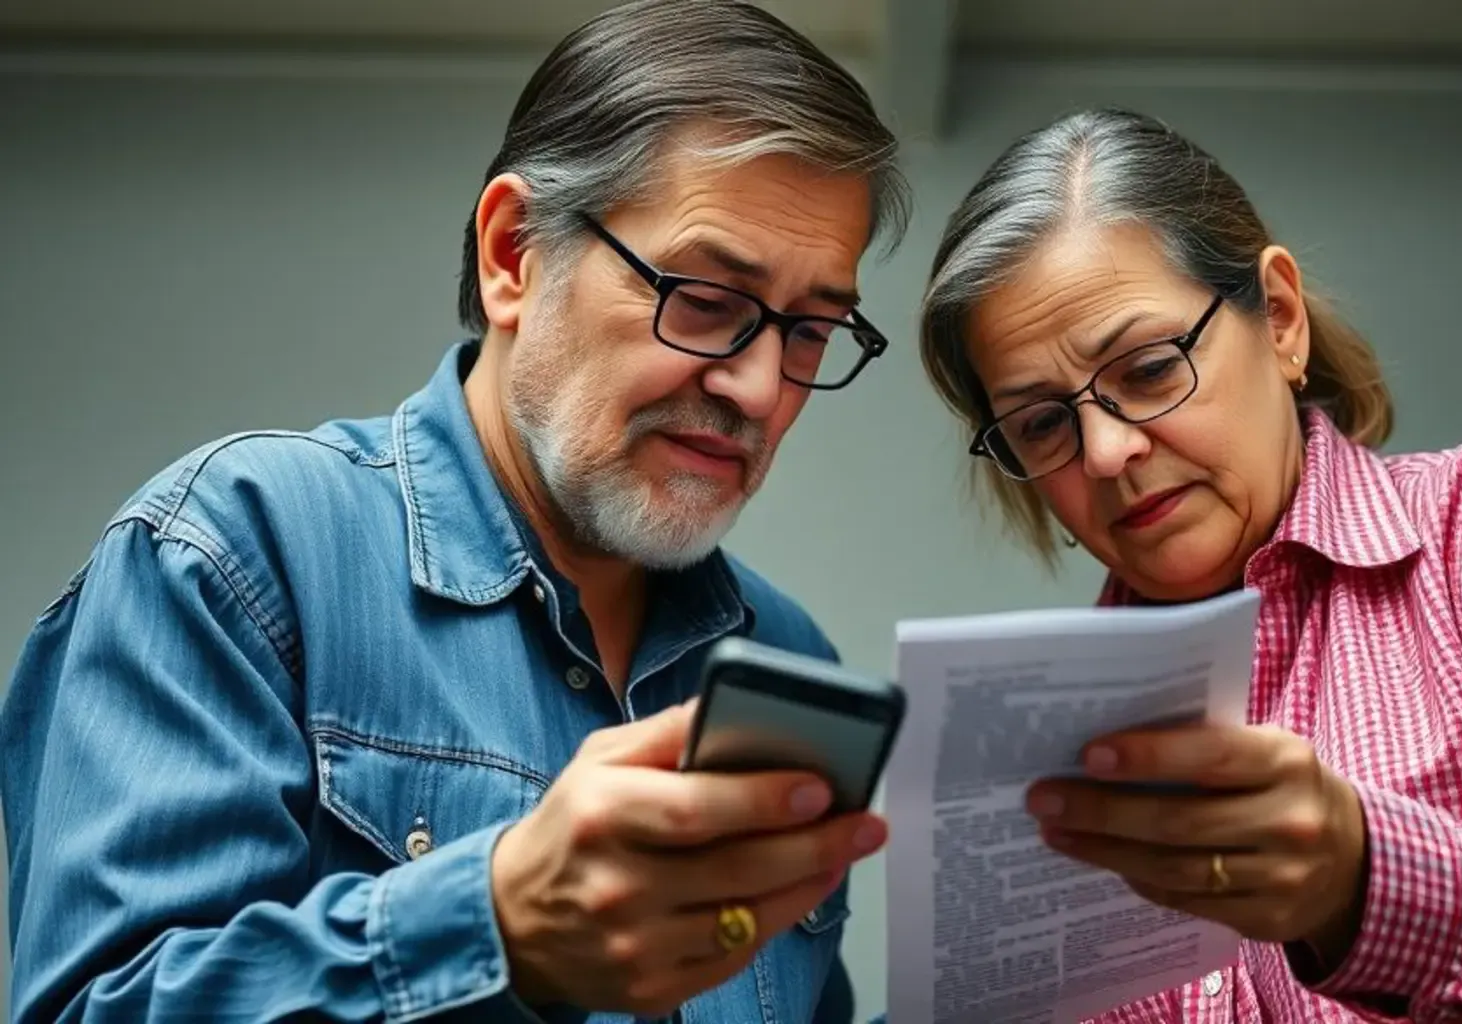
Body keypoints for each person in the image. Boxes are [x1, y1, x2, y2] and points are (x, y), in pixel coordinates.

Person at [0, 1, 909, 1020]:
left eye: (812, 331)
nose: (757, 386)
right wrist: (492, 926)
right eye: (702, 297)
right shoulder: (236, 551)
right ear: (513, 253)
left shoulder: (788, 661)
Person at [917, 107, 1462, 1022]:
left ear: (1282, 320)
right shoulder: (1040, 734)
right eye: (1043, 423)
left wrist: (1363, 880)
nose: (1104, 452)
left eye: (1146, 369)